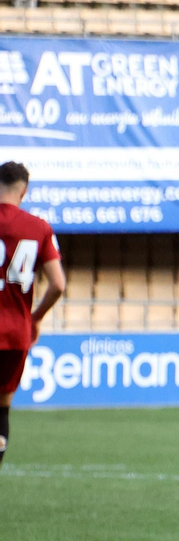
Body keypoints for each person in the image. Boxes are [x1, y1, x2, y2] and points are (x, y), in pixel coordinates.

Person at [0, 162, 68, 468]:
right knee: (1, 409)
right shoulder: (39, 228)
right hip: (15, 333)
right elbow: (58, 284)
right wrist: (36, 318)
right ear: (24, 191)